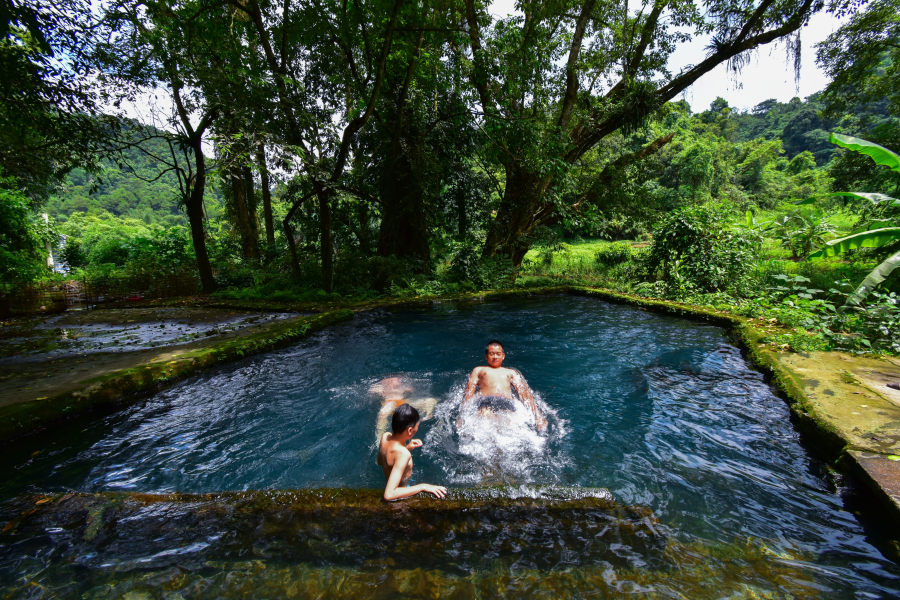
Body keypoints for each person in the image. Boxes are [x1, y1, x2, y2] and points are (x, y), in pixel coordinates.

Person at [458, 340, 547, 430]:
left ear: (503, 356)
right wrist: (462, 416)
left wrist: (537, 414)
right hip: (486, 403)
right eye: (491, 354)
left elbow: (524, 393)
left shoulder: (511, 372)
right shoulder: (478, 370)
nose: (495, 357)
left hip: (507, 404)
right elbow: (468, 393)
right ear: (486, 356)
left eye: (498, 354)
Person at [377, 403, 447, 501]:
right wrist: (423, 486)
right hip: (402, 494)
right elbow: (389, 494)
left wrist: (406, 448)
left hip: (387, 481)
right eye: (417, 426)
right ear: (410, 430)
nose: (417, 428)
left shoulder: (385, 437)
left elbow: (381, 461)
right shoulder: (403, 455)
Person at [371, 376, 437, 438]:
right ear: (388, 380)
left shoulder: (403, 387)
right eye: (396, 378)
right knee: (383, 413)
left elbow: (412, 391)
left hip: (403, 402)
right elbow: (372, 390)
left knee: (431, 401)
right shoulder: (381, 385)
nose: (399, 379)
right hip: (390, 403)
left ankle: (426, 416)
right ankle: (379, 436)